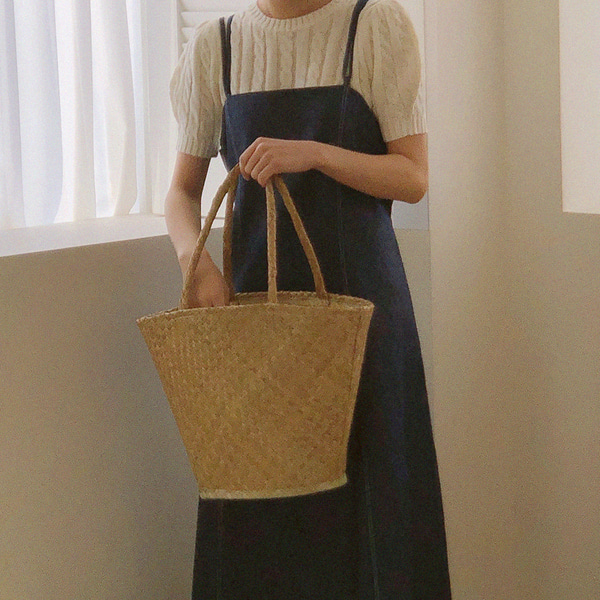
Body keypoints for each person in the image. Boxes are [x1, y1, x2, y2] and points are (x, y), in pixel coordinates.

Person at [166, 0, 452, 598]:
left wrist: (316, 154)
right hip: (259, 313)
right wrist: (197, 265)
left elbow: (413, 177)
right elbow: (182, 192)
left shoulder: (374, 26)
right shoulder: (215, 46)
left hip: (364, 310)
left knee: (372, 496)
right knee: (258, 495)